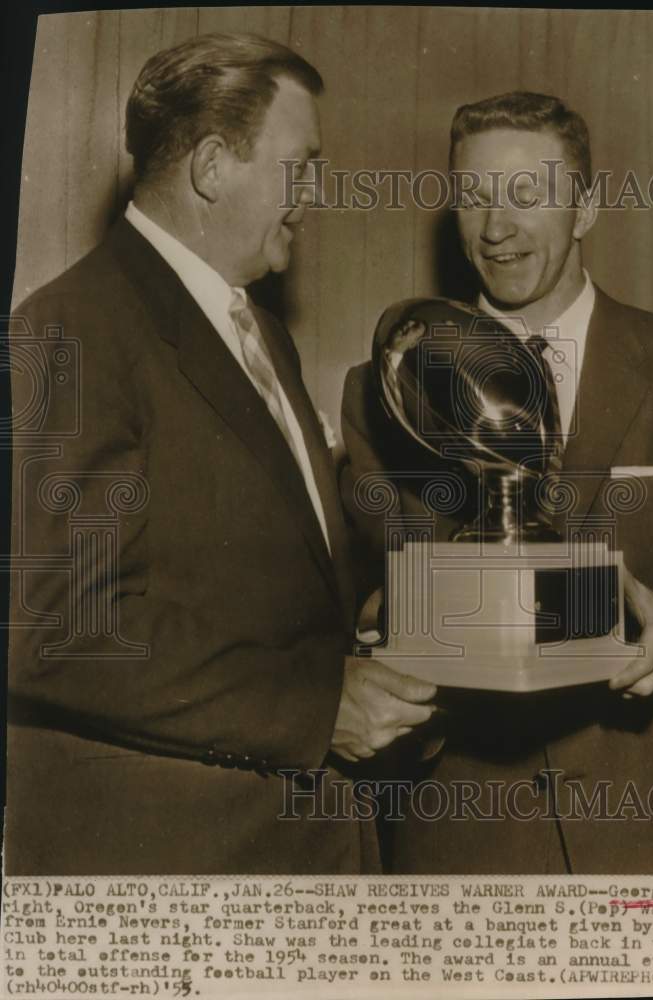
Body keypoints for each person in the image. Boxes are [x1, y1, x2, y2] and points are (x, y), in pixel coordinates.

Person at [6, 32, 436, 875]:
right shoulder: (72, 328)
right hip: (171, 861)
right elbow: (61, 626)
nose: (312, 196)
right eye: (299, 165)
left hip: (290, 846)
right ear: (211, 166)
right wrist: (315, 708)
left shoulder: (257, 330)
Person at [341, 91, 653, 874]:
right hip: (460, 822)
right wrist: (388, 611)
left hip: (652, 816)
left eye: (526, 195)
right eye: (473, 197)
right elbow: (373, 582)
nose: (496, 227)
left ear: (585, 207)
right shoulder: (386, 387)